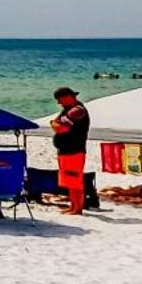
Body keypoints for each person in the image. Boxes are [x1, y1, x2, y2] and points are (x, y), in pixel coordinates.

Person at [50, 87, 90, 215]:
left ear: (67, 97)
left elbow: (61, 128)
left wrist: (55, 124)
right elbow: (55, 123)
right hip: (66, 150)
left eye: (60, 100)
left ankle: (78, 208)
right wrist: (55, 124)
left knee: (75, 181)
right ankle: (73, 206)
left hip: (75, 150)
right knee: (69, 181)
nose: (59, 103)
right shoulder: (67, 110)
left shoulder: (77, 111)